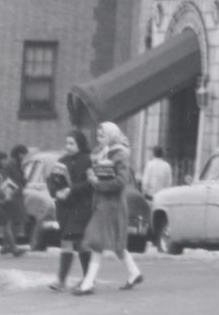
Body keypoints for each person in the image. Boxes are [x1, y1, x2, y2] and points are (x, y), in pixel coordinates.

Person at [74, 121, 145, 294]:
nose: (99, 139)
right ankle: (134, 272)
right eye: (98, 136)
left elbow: (121, 181)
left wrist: (97, 183)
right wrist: (92, 175)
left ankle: (88, 282)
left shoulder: (120, 155)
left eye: (102, 135)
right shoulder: (104, 153)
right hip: (104, 203)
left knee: (96, 241)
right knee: (117, 242)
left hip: (110, 204)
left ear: (112, 136)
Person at [45, 128, 97, 292]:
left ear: (80, 144)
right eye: (66, 143)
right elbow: (52, 181)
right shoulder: (62, 161)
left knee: (73, 241)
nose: (68, 146)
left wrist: (71, 190)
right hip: (65, 207)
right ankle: (80, 278)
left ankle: (65, 279)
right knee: (75, 242)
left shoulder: (88, 160)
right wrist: (56, 192)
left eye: (72, 143)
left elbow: (90, 184)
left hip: (81, 206)